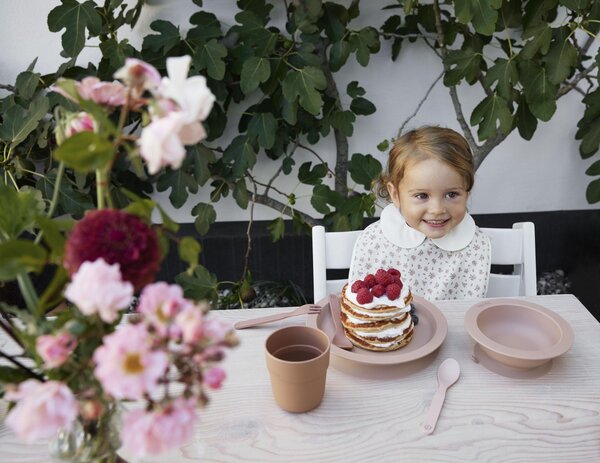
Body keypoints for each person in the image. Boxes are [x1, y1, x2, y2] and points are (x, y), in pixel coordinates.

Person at [348, 126, 491, 300]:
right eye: (422, 195)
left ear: (467, 191)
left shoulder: (474, 245)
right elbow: (365, 305)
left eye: (451, 194)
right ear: (395, 195)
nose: (438, 209)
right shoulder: (374, 241)